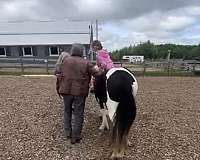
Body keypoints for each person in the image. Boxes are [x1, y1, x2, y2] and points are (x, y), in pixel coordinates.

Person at [57, 43, 100, 144]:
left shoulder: (65, 61)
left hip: (65, 91)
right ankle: (76, 136)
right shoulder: (86, 63)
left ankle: (68, 133)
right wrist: (102, 69)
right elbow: (96, 74)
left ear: (72, 51)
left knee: (67, 111)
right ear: (81, 52)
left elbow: (58, 72)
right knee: (78, 113)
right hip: (79, 92)